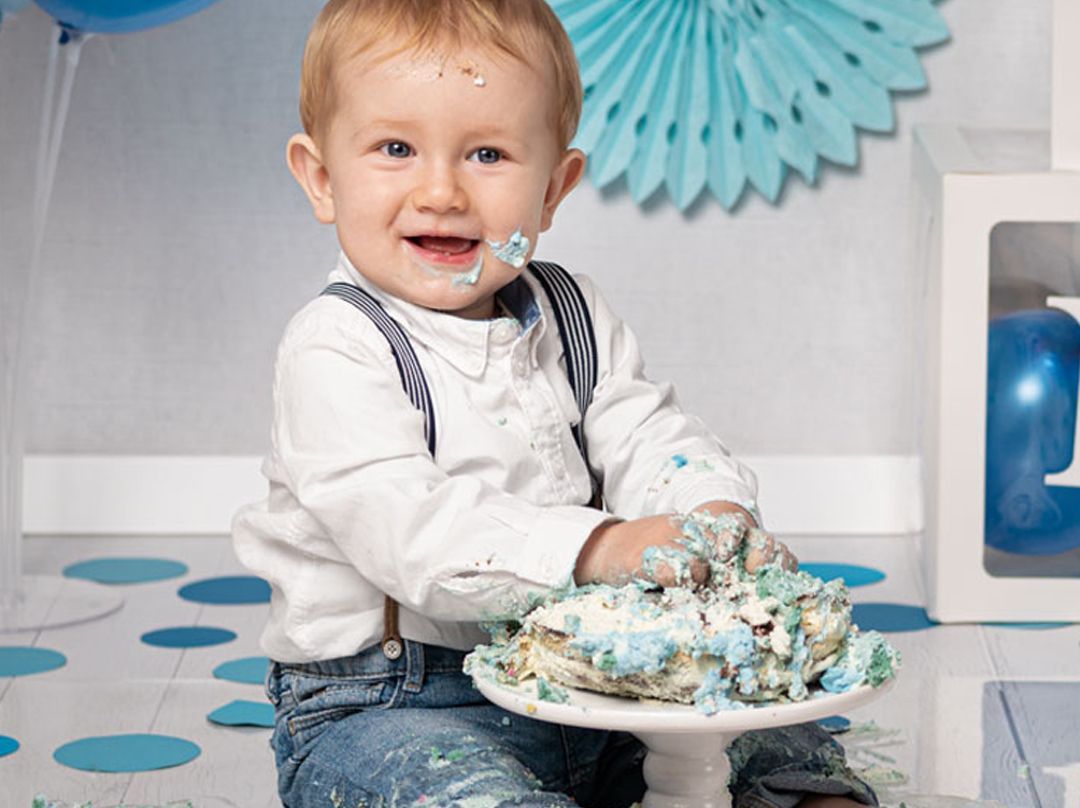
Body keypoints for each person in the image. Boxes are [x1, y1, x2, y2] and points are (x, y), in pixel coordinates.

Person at [232, 1, 879, 806]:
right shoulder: (336, 346)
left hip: (590, 685)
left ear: (552, 189)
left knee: (773, 741)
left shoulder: (572, 313)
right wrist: (599, 548)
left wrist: (710, 513)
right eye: (396, 149)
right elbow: (414, 535)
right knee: (458, 792)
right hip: (396, 708)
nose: (441, 191)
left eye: (488, 154)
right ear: (323, 178)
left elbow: (647, 433)